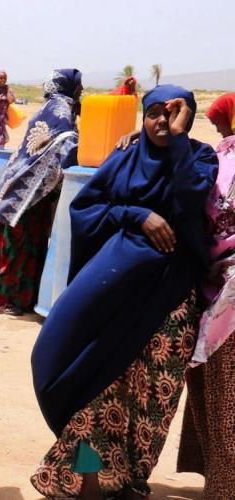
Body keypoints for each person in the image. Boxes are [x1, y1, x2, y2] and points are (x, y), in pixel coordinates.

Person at [30, 85, 217, 499]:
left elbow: (189, 198)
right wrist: (138, 215)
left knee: (154, 397)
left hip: (171, 299)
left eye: (173, 113)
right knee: (96, 389)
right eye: (154, 113)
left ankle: (131, 479)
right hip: (117, 293)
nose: (163, 122)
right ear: (142, 116)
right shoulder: (126, 155)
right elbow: (86, 209)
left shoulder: (200, 157)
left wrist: (182, 139)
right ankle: (88, 482)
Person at [176, 92, 235, 499]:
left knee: (227, 391)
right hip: (210, 285)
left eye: (220, 120)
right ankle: (219, 479)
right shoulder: (217, 155)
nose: (217, 127)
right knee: (213, 388)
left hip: (230, 288)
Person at [0, 69, 82, 315]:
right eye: (79, 85)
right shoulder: (62, 112)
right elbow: (66, 147)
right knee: (22, 245)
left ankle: (9, 298)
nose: (81, 90)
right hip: (29, 192)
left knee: (17, 244)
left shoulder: (50, 107)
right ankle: (10, 300)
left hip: (20, 185)